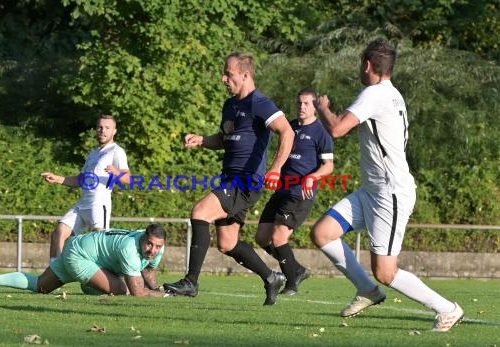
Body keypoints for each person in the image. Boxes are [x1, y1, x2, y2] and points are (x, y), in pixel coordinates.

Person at [311, 38, 463, 332]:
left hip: (390, 193)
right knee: (324, 232)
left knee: (386, 271)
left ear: (368, 65)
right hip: (373, 190)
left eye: (361, 64)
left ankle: (447, 309)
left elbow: (338, 128)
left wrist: (323, 108)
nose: (360, 68)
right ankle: (367, 290)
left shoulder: (375, 93)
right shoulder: (392, 94)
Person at [163, 52, 295, 306]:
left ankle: (191, 282)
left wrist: (276, 168)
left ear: (245, 75)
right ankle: (271, 277)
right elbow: (225, 140)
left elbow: (287, 131)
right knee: (228, 243)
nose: (224, 78)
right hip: (229, 179)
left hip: (246, 181)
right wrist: (202, 140)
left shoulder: (260, 102)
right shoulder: (231, 105)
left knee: (200, 212)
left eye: (229, 74)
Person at [255, 88, 334, 295]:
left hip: (300, 193)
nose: (301, 107)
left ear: (315, 106)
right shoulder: (289, 127)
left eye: (306, 103)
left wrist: (312, 177)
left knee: (279, 236)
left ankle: (291, 283)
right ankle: (296, 269)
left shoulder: (322, 132)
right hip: (282, 189)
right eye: (299, 103)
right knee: (262, 238)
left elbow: (329, 166)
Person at [0, 224, 168, 297]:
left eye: (157, 246)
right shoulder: (130, 248)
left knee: (40, 286)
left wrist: (157, 288)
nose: (152, 250)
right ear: (143, 238)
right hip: (81, 256)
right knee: (122, 290)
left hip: (78, 246)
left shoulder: (155, 246)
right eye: (149, 244)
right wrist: (165, 296)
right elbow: (138, 293)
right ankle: (90, 285)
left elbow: (148, 271)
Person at [41, 115, 131, 263]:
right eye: (100, 127)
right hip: (83, 203)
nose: (103, 131)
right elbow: (80, 179)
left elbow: (129, 178)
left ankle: (111, 280)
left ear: (114, 131)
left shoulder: (116, 151)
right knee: (59, 232)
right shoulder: (94, 153)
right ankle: (54, 274)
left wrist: (117, 172)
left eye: (107, 128)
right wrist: (57, 179)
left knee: (100, 243)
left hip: (99, 202)